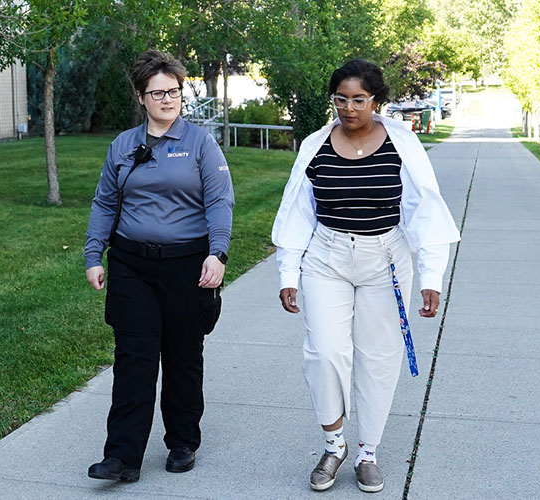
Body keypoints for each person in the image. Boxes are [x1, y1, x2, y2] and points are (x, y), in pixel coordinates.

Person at [271, 59, 460, 493]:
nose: (349, 108)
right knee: (324, 352)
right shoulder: (316, 145)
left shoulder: (402, 143)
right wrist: (289, 271)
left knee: (379, 358)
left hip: (386, 259)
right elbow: (298, 210)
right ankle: (333, 443)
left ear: (377, 100)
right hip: (326, 256)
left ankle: (367, 452)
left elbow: (423, 209)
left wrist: (432, 277)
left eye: (359, 99)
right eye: (341, 99)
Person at [83, 50, 234, 482]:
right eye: (158, 93)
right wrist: (94, 254)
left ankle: (182, 441)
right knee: (134, 358)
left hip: (187, 264)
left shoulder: (200, 143)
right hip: (131, 263)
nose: (168, 99)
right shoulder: (123, 146)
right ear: (141, 97)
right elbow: (105, 203)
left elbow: (220, 201)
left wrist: (217, 252)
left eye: (174, 91)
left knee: (183, 354)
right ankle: (122, 457)